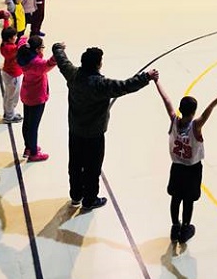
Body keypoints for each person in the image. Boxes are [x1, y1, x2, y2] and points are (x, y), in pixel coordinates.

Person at [52, 43, 157, 210]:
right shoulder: (100, 85)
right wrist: (146, 77)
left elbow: (62, 61)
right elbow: (125, 86)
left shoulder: (73, 75)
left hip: (75, 130)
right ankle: (90, 199)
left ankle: (76, 195)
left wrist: (58, 48)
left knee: (75, 164)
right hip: (94, 134)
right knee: (92, 168)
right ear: (97, 64)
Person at [152, 76, 217, 244]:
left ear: (180, 109)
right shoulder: (196, 126)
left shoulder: (174, 120)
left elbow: (166, 100)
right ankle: (185, 228)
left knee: (175, 198)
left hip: (177, 167)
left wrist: (157, 81)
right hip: (192, 169)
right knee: (189, 200)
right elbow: (210, 109)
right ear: (194, 112)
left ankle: (174, 226)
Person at [18, 36, 57, 162]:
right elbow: (49, 64)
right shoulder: (36, 64)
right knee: (34, 126)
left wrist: (25, 39)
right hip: (37, 97)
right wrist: (58, 52)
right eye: (42, 47)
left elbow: (21, 41)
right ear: (37, 50)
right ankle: (34, 153)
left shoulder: (23, 55)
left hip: (27, 94)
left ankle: (28, 146)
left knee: (27, 123)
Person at [0, 24, 25, 124]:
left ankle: (8, 112)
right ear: (9, 39)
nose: (16, 38)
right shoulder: (10, 49)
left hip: (8, 73)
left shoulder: (5, 45)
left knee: (7, 95)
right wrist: (21, 44)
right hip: (13, 75)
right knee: (13, 96)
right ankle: (9, 116)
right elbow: (16, 50)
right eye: (15, 36)